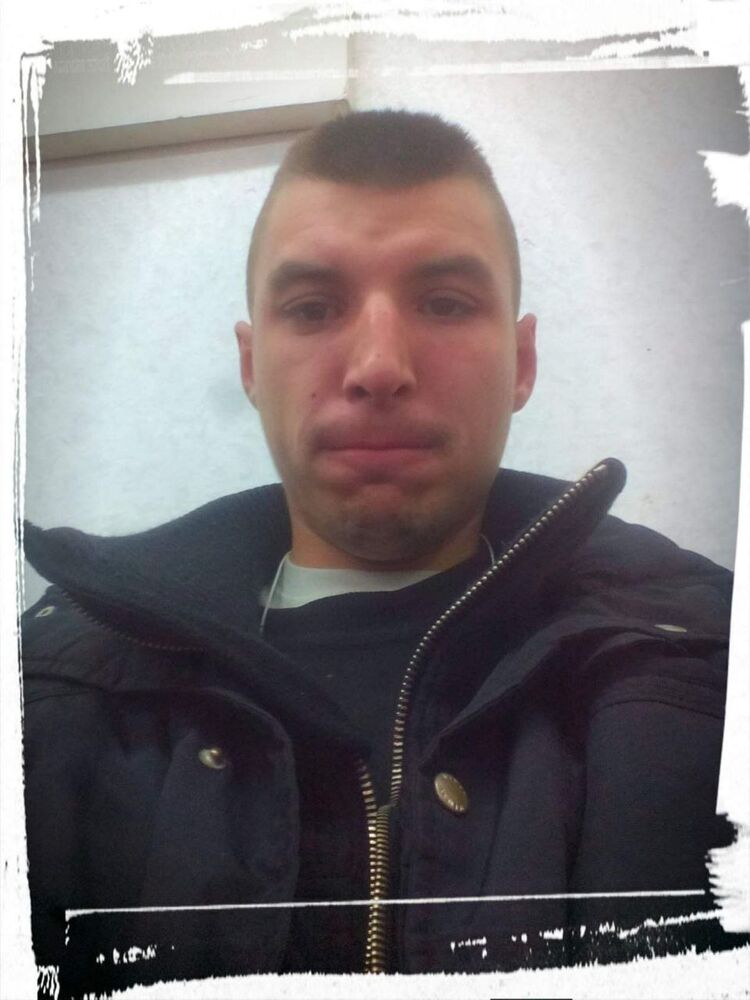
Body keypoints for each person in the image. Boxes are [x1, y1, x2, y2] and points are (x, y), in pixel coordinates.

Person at [21, 110, 734, 996]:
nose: (379, 366)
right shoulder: (53, 696)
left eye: (444, 303)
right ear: (251, 365)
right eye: (313, 308)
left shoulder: (706, 669)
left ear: (522, 362)